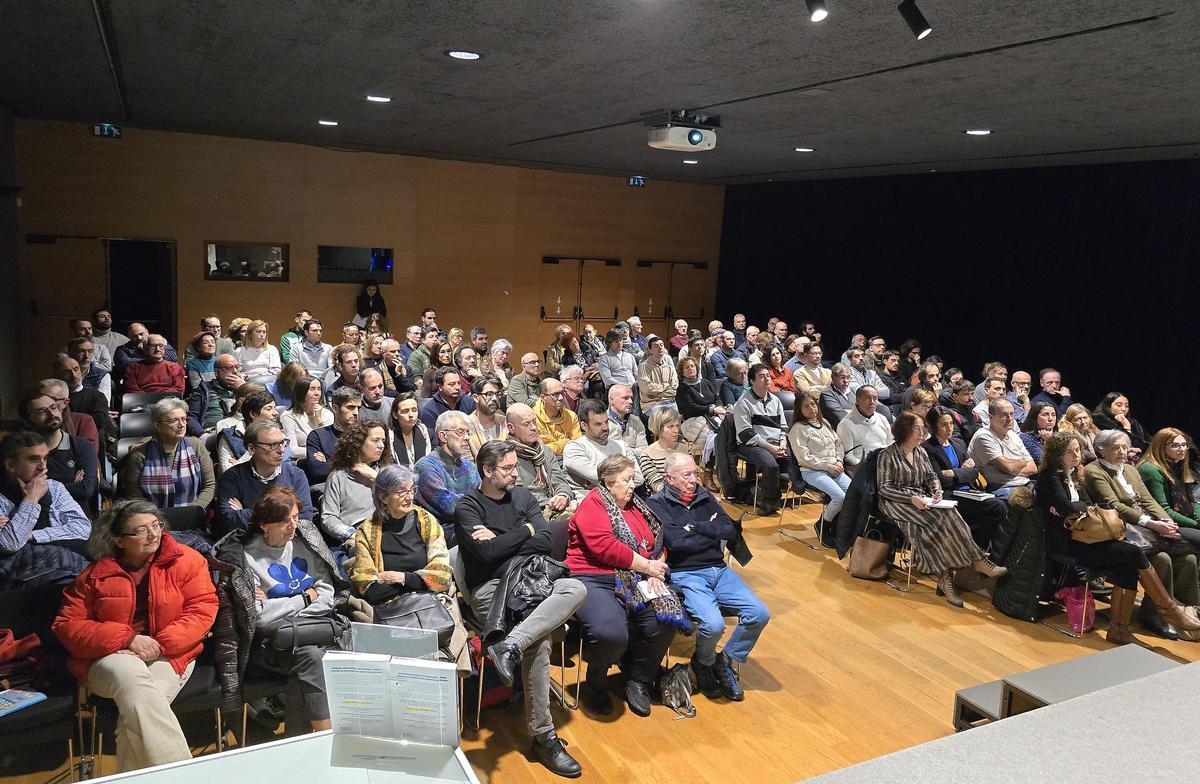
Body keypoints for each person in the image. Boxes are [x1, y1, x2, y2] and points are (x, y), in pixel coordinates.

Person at [453, 441, 587, 777]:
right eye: (508, 469)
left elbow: (546, 540)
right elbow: (485, 556)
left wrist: (502, 538)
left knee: (575, 586)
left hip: (531, 576)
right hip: (491, 588)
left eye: (515, 467)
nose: (516, 473)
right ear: (487, 471)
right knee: (540, 642)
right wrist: (524, 529)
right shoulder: (468, 506)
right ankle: (543, 735)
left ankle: (511, 644)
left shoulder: (524, 496)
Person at [53, 501, 217, 772]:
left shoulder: (187, 560)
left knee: (135, 718)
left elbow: (202, 611)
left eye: (156, 525)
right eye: (141, 530)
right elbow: (67, 626)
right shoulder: (95, 575)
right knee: (130, 672)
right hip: (110, 658)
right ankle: (186, 775)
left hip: (170, 653)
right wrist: (127, 639)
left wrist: (157, 645)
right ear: (118, 540)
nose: (154, 534)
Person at [1038, 432, 1200, 644]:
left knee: (1127, 567)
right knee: (1134, 552)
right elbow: (1069, 506)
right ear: (1057, 454)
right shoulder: (1049, 475)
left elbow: (1087, 506)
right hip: (1068, 542)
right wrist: (1077, 509)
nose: (1076, 455)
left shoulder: (1075, 474)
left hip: (1091, 535)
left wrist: (1079, 509)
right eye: (1070, 451)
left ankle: (1118, 629)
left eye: (1078, 450)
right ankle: (1170, 611)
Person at [213, 487, 347, 735]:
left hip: (314, 631)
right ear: (265, 525)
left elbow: (328, 592)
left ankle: (303, 743)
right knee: (312, 658)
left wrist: (286, 609)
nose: (293, 525)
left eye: (295, 517)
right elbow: (260, 617)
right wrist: (305, 598)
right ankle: (327, 736)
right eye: (284, 521)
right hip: (270, 646)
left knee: (310, 660)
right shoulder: (246, 559)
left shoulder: (305, 541)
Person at [566, 455, 683, 717]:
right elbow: (606, 548)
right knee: (611, 635)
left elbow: (657, 540)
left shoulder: (636, 506)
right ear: (608, 483)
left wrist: (656, 567)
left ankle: (638, 679)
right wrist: (647, 566)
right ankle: (595, 682)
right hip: (594, 576)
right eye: (627, 480)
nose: (633, 485)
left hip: (638, 575)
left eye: (634, 479)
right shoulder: (593, 505)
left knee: (666, 618)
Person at [647, 453, 768, 701]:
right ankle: (704, 662)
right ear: (669, 478)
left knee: (759, 614)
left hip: (719, 569)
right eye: (686, 475)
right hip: (685, 573)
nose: (694, 479)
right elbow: (676, 542)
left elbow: (728, 530)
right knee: (713, 625)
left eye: (695, 473)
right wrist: (709, 532)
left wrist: (697, 528)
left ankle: (724, 661)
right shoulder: (657, 503)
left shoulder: (704, 497)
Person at [876, 412, 1007, 607]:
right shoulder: (887, 454)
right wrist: (911, 498)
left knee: (950, 513)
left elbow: (931, 476)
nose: (923, 432)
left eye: (923, 428)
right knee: (935, 523)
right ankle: (963, 569)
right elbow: (884, 488)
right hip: (895, 502)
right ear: (905, 431)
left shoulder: (920, 452)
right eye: (917, 429)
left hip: (920, 498)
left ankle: (958, 572)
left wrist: (936, 491)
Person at [349, 464, 468, 671]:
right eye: (401, 491)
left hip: (429, 604)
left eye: (411, 490)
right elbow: (369, 589)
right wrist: (419, 580)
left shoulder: (426, 521)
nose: (409, 497)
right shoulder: (367, 532)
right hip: (391, 610)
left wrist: (401, 578)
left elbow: (441, 576)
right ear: (383, 497)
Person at [1084, 428, 1200, 635]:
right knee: (1163, 559)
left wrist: (1165, 520)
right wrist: (1152, 524)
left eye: (1125, 447)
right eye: (1116, 448)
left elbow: (1148, 500)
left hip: (1148, 523)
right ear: (1101, 450)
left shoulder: (1130, 469)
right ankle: (1154, 613)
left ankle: (1188, 611)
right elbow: (1114, 505)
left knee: (1189, 558)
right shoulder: (1094, 470)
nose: (1122, 451)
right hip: (1123, 527)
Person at [118, 398, 216, 526]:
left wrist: (192, 511)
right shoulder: (140, 455)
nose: (181, 425)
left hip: (192, 519)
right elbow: (134, 494)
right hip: (153, 522)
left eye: (184, 419)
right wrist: (156, 518)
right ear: (158, 425)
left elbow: (210, 485)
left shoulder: (196, 446)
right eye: (174, 421)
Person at [0, 430, 92, 564]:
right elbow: (9, 543)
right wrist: (31, 499)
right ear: (10, 465)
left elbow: (82, 528)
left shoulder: (54, 487)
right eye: (34, 459)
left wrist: (31, 535)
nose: (43, 467)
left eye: (45, 458)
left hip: (61, 567)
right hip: (16, 578)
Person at [922, 408, 1007, 551]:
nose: (949, 428)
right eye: (944, 425)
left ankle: (979, 550)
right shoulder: (928, 448)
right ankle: (980, 551)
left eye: (951, 424)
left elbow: (974, 471)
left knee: (994, 510)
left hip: (969, 491)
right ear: (933, 426)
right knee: (997, 506)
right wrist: (962, 472)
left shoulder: (958, 443)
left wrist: (953, 473)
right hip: (948, 494)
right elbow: (940, 480)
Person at [215, 421, 313, 536]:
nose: (282, 450)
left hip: (288, 542)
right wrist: (286, 515)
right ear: (251, 449)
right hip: (246, 544)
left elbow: (305, 519)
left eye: (283, 443)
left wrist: (247, 512)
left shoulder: (296, 475)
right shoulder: (231, 478)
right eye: (273, 445)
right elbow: (230, 520)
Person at [18, 390, 98, 510]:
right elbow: (14, 492)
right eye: (41, 411)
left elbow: (86, 489)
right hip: (34, 520)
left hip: (74, 522)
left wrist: (35, 491)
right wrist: (72, 485)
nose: (51, 414)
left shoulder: (82, 446)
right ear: (27, 421)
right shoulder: (21, 452)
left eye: (53, 407)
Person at [321, 420, 393, 550]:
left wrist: (376, 478)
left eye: (383, 441)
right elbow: (328, 518)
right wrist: (352, 534)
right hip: (355, 536)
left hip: (388, 532)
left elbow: (401, 500)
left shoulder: (386, 473)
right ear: (358, 443)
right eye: (375, 440)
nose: (381, 445)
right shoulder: (338, 476)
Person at [413, 411, 479, 547]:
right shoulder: (426, 466)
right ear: (443, 436)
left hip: (470, 525)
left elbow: (483, 496)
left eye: (468, 433)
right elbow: (450, 507)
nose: (466, 438)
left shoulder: (470, 466)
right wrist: (479, 504)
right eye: (460, 432)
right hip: (441, 535)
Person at [789, 388, 850, 530]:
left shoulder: (825, 423)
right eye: (806, 406)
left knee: (854, 494)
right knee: (839, 497)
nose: (811, 408)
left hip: (835, 467)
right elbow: (804, 458)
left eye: (813, 404)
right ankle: (823, 524)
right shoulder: (797, 429)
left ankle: (841, 526)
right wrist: (827, 466)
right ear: (799, 410)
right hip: (812, 471)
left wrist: (839, 461)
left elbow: (838, 445)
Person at [733, 363, 789, 515]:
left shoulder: (776, 401)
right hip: (751, 444)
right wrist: (770, 448)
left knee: (796, 459)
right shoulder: (743, 402)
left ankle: (763, 492)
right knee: (770, 465)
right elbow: (746, 435)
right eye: (761, 376)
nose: (767, 379)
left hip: (775, 443)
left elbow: (783, 427)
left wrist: (782, 443)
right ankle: (769, 503)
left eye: (768, 376)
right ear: (752, 381)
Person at [564, 399, 644, 500]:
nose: (605, 427)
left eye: (606, 422)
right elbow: (596, 477)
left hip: (623, 500)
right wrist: (626, 478)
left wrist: (600, 482)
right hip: (590, 502)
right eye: (598, 424)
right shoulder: (575, 448)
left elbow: (638, 479)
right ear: (584, 426)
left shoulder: (622, 446)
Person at [506, 404, 577, 518]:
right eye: (526, 424)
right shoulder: (506, 456)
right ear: (511, 428)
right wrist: (551, 504)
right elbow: (517, 494)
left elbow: (560, 482)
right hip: (529, 514)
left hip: (555, 509)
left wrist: (562, 496)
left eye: (534, 422)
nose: (534, 427)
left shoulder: (546, 451)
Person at [968, 399, 1037, 501]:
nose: (1009, 419)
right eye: (1004, 415)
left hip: (1025, 484)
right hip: (1000, 488)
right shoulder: (984, 436)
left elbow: (1033, 468)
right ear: (990, 417)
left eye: (1012, 414)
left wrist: (1012, 468)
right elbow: (1008, 467)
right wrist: (1022, 462)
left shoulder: (1013, 435)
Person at [1138, 429, 1200, 541]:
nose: (1181, 449)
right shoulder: (1150, 469)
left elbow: (1192, 503)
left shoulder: (1177, 465)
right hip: (1163, 522)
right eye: (1175, 445)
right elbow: (1163, 510)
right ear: (1161, 447)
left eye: (1184, 445)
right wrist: (1196, 524)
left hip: (1182, 519)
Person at [304, 387, 362, 486]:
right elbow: (318, 470)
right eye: (350, 407)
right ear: (335, 408)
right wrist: (356, 464)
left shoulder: (365, 434)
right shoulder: (317, 436)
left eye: (358, 408)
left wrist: (330, 462)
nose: (356, 412)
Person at [216, 389, 284, 474]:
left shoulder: (277, 432)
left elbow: (283, 463)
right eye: (269, 409)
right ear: (253, 414)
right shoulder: (229, 436)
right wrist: (249, 457)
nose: (275, 413)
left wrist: (238, 464)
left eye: (275, 408)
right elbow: (227, 472)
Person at [53, 355, 114, 449]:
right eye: (66, 372)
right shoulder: (52, 398)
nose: (73, 375)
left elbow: (99, 420)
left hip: (89, 442)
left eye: (76, 369)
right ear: (57, 376)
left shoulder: (96, 396)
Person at [837, 386, 894, 475]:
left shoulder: (882, 418)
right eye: (867, 398)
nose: (872, 402)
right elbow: (848, 456)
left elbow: (890, 443)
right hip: (864, 470)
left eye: (875, 398)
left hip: (886, 464)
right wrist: (870, 466)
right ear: (857, 400)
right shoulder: (845, 424)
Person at [186, 354, 245, 436]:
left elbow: (258, 410)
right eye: (229, 368)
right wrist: (202, 435)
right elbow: (191, 418)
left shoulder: (245, 388)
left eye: (237, 367)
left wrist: (243, 389)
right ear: (217, 373)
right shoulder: (203, 389)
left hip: (242, 432)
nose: (235, 371)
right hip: (213, 433)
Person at [280, 376, 333, 463]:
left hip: (328, 459)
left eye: (319, 389)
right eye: (312, 389)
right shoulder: (289, 416)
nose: (317, 393)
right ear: (302, 392)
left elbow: (328, 444)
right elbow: (293, 450)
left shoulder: (328, 414)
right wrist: (316, 454)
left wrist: (319, 420)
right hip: (303, 461)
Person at [636, 406, 686, 494]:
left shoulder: (683, 448)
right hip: (665, 498)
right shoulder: (647, 454)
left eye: (677, 426)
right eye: (670, 426)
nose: (675, 430)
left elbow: (694, 476)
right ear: (658, 428)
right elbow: (657, 485)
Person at [1091, 391, 1149, 456]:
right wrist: (1127, 429)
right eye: (1119, 405)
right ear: (1108, 406)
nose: (1124, 409)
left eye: (1126, 406)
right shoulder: (1099, 420)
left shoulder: (1132, 422)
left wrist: (1140, 450)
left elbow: (1148, 443)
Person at [533, 377, 580, 456]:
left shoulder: (571, 416)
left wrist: (549, 447)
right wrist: (565, 442)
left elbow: (578, 445)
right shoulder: (532, 418)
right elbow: (538, 449)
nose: (561, 398)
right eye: (555, 394)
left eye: (562, 393)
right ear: (543, 397)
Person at [465, 375, 507, 457]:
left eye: (497, 394)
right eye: (489, 394)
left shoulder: (505, 423)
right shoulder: (465, 426)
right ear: (476, 398)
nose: (495, 398)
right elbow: (466, 464)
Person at [637, 335, 679, 414]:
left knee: (676, 420)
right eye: (656, 346)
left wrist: (658, 393)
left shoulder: (669, 366)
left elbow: (674, 388)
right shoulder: (643, 367)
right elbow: (648, 389)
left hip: (670, 402)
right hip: (652, 404)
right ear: (650, 350)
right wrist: (666, 386)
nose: (660, 348)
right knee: (662, 420)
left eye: (661, 345)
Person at [388, 392, 432, 467]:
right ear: (395, 415)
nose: (411, 415)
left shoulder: (428, 434)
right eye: (405, 411)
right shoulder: (388, 437)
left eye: (414, 410)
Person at [235, 320, 281, 384]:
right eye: (258, 332)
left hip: (268, 381)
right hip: (247, 383)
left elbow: (276, 371)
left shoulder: (272, 349)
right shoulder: (240, 351)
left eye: (264, 332)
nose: (262, 334)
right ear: (250, 334)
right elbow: (236, 371)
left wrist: (262, 377)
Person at [607, 383, 647, 449]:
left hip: (633, 459)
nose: (631, 402)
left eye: (631, 398)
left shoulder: (636, 421)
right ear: (611, 400)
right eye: (625, 398)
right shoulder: (602, 422)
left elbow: (643, 450)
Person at [1018, 401, 1058, 465]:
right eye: (1045, 415)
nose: (1050, 419)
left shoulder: (1059, 435)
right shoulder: (1025, 437)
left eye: (1053, 415)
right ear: (1035, 417)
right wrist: (1049, 441)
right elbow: (1042, 461)